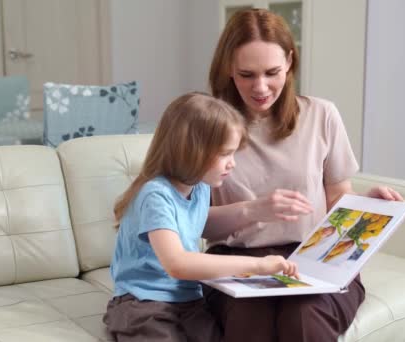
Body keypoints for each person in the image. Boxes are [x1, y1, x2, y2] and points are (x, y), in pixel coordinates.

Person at [203, 9, 405, 342]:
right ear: (228, 68)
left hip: (315, 258)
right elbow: (193, 223)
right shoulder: (207, 125)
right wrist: (253, 211)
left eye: (272, 72)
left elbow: (337, 201)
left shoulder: (322, 115)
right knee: (251, 316)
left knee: (304, 314)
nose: (261, 87)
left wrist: (366, 207)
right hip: (235, 260)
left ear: (290, 62)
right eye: (246, 74)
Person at [103, 92, 299, 342]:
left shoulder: (199, 187)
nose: (232, 164)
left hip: (188, 301)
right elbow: (178, 264)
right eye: (225, 154)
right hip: (142, 303)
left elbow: (198, 221)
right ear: (191, 151)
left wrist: (255, 210)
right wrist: (258, 266)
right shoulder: (155, 195)